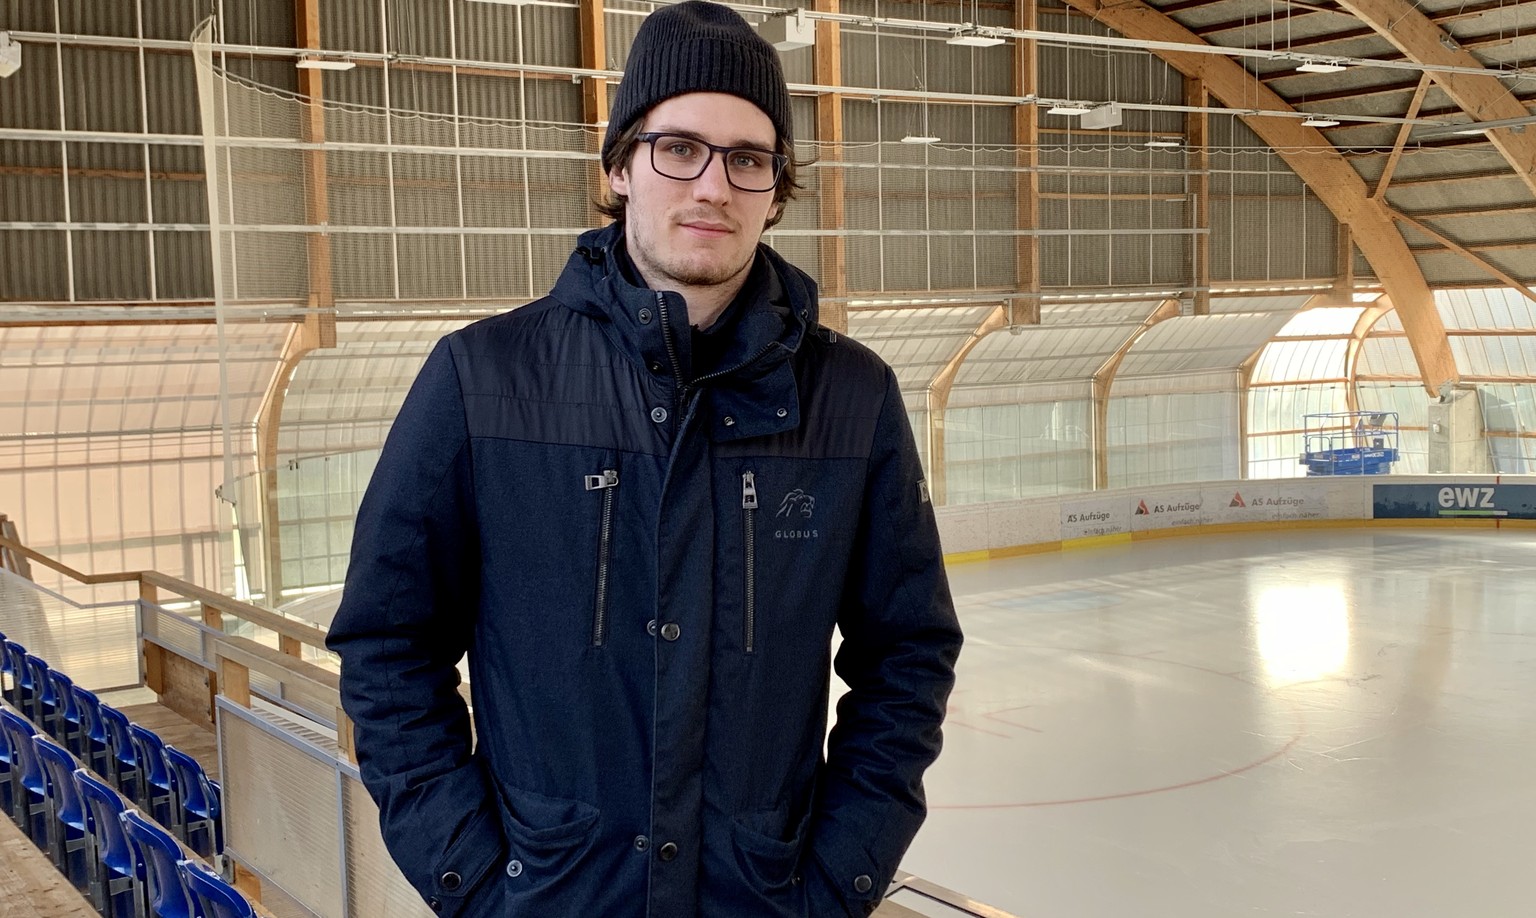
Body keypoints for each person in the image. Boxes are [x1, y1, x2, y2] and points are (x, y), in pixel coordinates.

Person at [325, 3, 961, 916]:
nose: (712, 185)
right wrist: (476, 882)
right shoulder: (482, 378)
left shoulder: (851, 398)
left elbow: (907, 655)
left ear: (777, 188)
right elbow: (388, 647)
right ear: (621, 165)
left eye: (749, 158)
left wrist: (830, 885)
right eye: (679, 148)